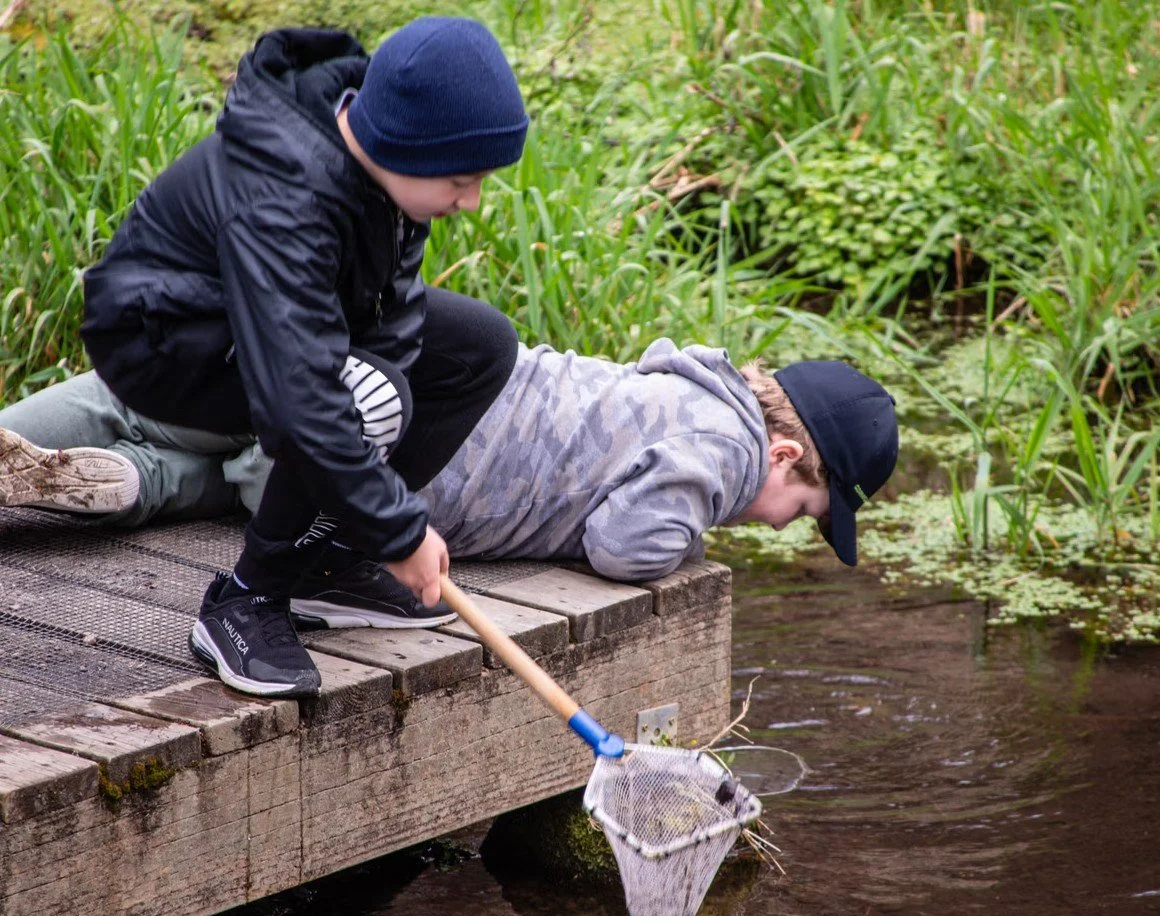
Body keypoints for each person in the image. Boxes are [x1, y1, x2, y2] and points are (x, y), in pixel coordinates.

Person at [55, 18, 530, 699]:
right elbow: (301, 403)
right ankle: (244, 602)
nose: (473, 199)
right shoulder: (285, 196)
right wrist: (397, 532)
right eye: (462, 178)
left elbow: (392, 321)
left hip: (268, 315)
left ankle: (325, 565)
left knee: (478, 348)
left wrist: (366, 514)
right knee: (358, 398)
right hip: (161, 338)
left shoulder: (389, 166)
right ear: (403, 147)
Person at [1, 337, 899, 585]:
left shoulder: (680, 386)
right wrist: (693, 540)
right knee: (233, 468)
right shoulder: (728, 453)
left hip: (393, 422)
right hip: (415, 463)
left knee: (197, 421)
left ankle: (86, 468)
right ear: (784, 452)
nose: (783, 526)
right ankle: (131, 483)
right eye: (807, 511)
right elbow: (628, 544)